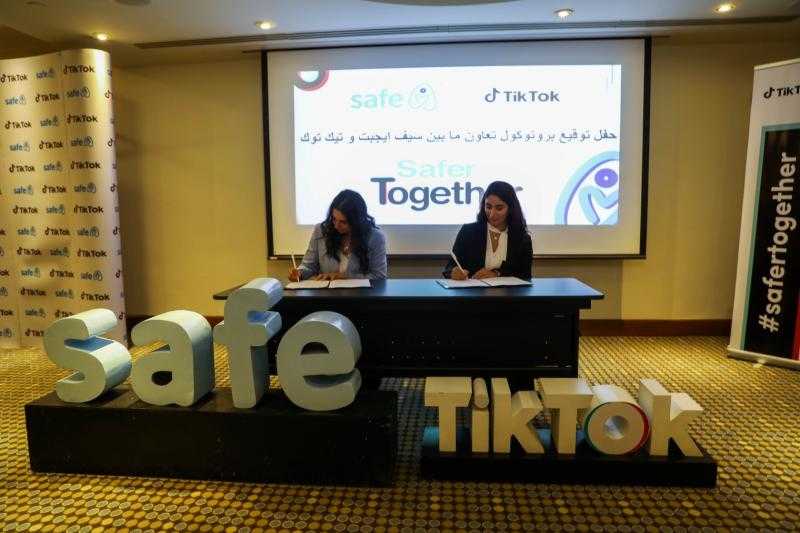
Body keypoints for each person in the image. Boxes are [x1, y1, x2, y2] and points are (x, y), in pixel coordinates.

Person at [289, 189, 388, 281]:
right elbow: (308, 266)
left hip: (361, 293)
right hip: (326, 293)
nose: (336, 225)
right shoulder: (321, 230)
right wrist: (300, 273)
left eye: (343, 222)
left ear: (356, 221)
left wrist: (345, 277)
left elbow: (379, 276)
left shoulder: (375, 237)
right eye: (334, 219)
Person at [443, 181, 533, 280]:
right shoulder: (468, 232)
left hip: (508, 290)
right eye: (488, 207)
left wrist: (497, 274)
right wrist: (454, 272)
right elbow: (449, 267)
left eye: (499, 208)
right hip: (472, 289)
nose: (492, 214)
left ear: (511, 208)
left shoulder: (522, 238)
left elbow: (525, 275)